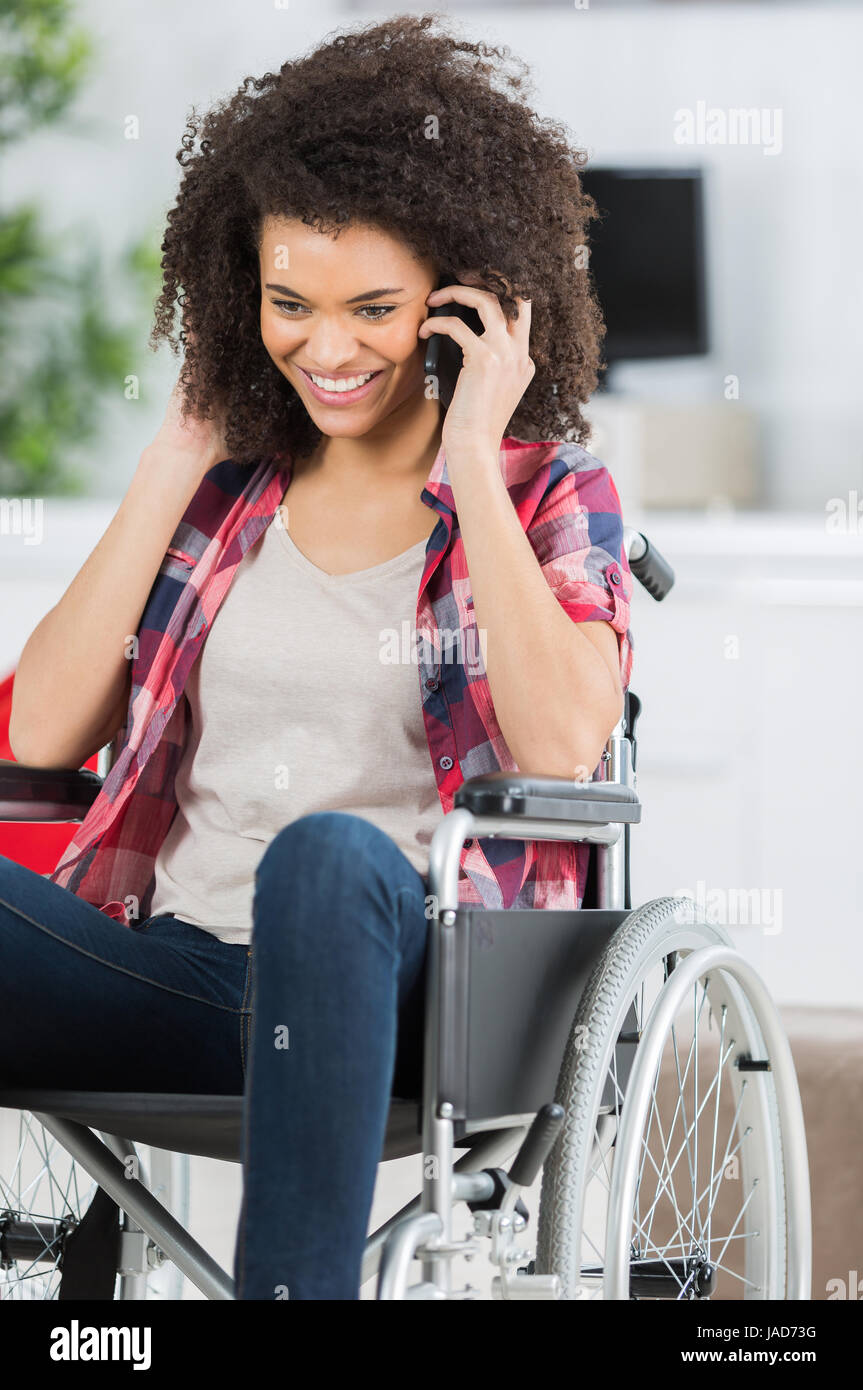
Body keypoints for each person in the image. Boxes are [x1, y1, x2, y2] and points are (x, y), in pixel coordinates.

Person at [2, 13, 634, 1299]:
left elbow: (567, 743)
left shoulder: (550, 491)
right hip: (187, 976)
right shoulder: (227, 493)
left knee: (325, 858)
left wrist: (470, 460)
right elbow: (38, 736)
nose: (326, 350)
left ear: (462, 304)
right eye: (289, 304)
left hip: (416, 987)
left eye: (374, 310)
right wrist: (173, 455)